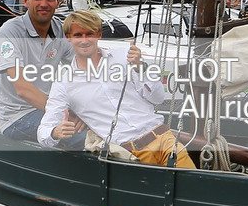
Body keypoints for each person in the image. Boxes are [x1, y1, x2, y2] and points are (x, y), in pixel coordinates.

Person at [38, 10, 194, 168]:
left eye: (89, 34)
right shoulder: (64, 83)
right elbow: (43, 131)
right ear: (68, 37)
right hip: (128, 156)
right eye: (78, 35)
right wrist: (55, 132)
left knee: (191, 180)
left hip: (164, 140)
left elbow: (158, 98)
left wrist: (140, 68)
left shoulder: (125, 56)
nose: (84, 40)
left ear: (99, 34)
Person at [0, 0, 74, 141]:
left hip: (46, 105)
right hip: (17, 116)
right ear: (25, 0)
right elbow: (22, 88)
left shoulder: (60, 30)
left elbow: (85, 66)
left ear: (58, 2)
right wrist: (66, 114)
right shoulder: (8, 34)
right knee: (78, 133)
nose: (44, 3)